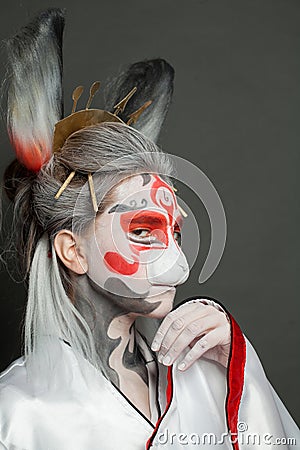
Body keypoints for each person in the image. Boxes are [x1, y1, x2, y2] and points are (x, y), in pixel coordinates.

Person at [0, 8, 298, 450]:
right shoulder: (18, 413)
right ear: (72, 250)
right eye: (142, 231)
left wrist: (242, 370)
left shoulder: (210, 373)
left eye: (175, 234)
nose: (177, 266)